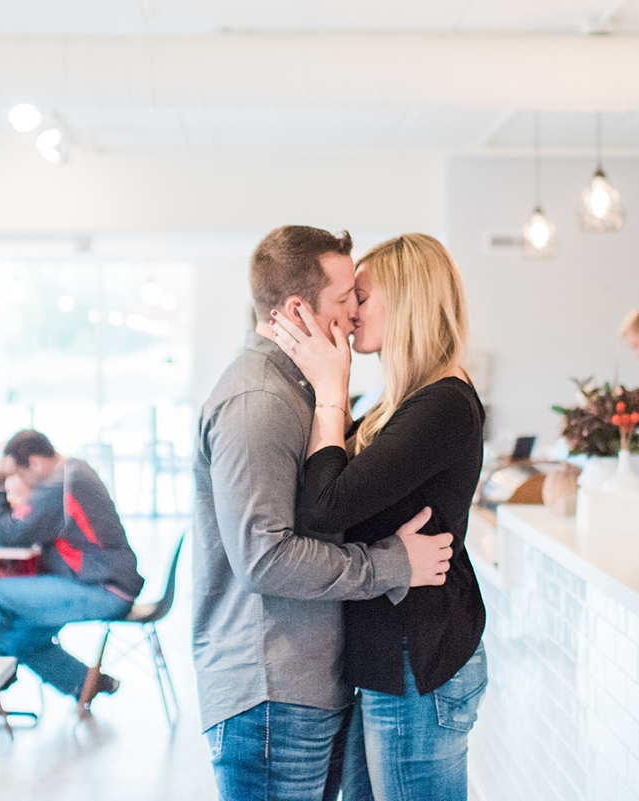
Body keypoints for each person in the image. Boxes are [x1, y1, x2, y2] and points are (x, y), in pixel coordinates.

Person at [194, 225, 456, 801]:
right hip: (272, 691)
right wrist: (391, 564)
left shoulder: (300, 391)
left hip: (302, 685)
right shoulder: (259, 402)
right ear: (297, 310)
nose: (356, 314)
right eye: (346, 299)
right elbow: (265, 559)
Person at [271, 233, 487, 801]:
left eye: (361, 297)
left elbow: (324, 506)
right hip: (397, 660)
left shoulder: (441, 403)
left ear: (406, 300)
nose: (349, 312)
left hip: (418, 660)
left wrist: (329, 389)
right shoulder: (400, 400)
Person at [0, 429, 143, 707]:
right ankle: (88, 683)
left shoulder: (59, 486)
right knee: (18, 641)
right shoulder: (74, 473)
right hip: (105, 584)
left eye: (21, 474)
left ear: (36, 463)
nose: (23, 481)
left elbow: (5, 535)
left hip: (102, 590)